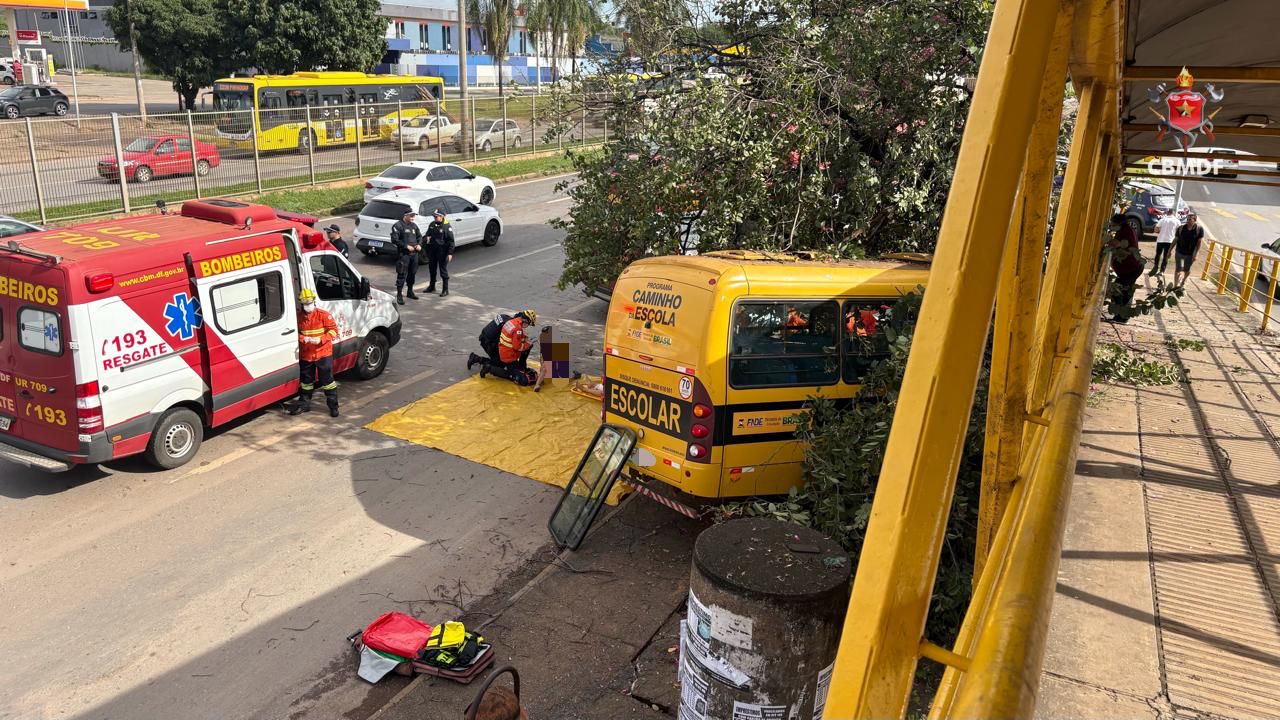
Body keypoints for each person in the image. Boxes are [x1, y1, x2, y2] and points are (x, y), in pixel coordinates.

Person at [290, 288, 340, 417]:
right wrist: (303, 339)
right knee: (306, 382)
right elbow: (294, 334)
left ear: (314, 301)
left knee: (328, 382)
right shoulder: (298, 318)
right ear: (301, 303)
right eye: (305, 303)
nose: (307, 305)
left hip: (323, 353)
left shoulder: (323, 315)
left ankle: (333, 407)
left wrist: (321, 339)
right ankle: (305, 405)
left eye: (309, 302)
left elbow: (334, 331)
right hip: (306, 355)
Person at [467, 309, 538, 385]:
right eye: (527, 324)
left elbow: (509, 336)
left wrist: (521, 337)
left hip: (491, 340)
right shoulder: (517, 328)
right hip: (489, 342)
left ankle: (481, 361)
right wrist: (526, 344)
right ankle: (485, 365)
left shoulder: (508, 321)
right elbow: (517, 346)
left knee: (502, 362)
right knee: (499, 365)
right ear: (525, 320)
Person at [1108, 213, 1146, 322]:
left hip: (1130, 268)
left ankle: (1122, 316)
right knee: (1123, 290)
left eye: (1113, 224)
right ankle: (1121, 316)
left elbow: (1115, 244)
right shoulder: (1126, 230)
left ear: (1118, 224)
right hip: (1130, 268)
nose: (1112, 225)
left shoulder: (1125, 231)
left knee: (1120, 291)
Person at [390, 209, 423, 304]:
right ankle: (399, 294)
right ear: (406, 215)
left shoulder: (414, 226)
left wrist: (419, 245)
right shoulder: (398, 225)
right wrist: (406, 246)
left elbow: (419, 237)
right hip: (404, 254)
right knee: (402, 274)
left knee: (412, 273)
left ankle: (410, 291)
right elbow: (394, 240)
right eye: (411, 215)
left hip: (414, 254)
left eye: (414, 215)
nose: (413, 217)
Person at [422, 209, 455, 297]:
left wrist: (450, 253)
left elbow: (451, 241)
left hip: (442, 252)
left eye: (436, 216)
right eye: (434, 216)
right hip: (432, 251)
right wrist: (425, 239)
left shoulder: (447, 227)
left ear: (442, 216)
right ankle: (432, 286)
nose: (434, 218)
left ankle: (445, 289)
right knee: (432, 269)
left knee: (443, 270)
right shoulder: (432, 224)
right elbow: (427, 234)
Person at [1173, 212, 1205, 288]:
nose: (1188, 221)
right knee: (1179, 268)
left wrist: (1196, 253)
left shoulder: (1199, 229)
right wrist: (1169, 250)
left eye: (1190, 219)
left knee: (1187, 270)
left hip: (1190, 254)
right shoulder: (1181, 228)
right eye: (1187, 219)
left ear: (1195, 220)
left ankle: (1184, 280)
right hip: (1180, 252)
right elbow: (1175, 239)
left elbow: (1199, 243)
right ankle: (1175, 286)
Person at [1150, 212, 1179, 277]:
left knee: (1158, 255)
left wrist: (1160, 231)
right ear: (1173, 214)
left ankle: (1155, 267)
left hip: (1160, 240)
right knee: (1165, 256)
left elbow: (1156, 229)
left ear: (1167, 213)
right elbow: (1178, 231)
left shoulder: (1162, 220)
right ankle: (1162, 271)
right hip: (1170, 241)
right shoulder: (1177, 221)